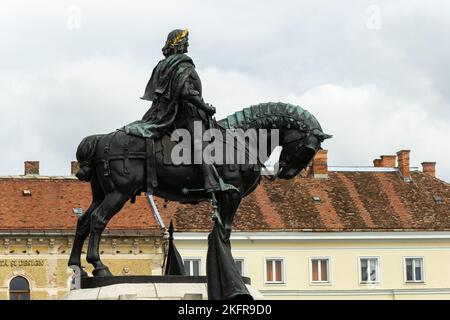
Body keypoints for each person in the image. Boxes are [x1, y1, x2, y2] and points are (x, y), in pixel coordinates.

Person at [137, 29, 220, 193]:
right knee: (199, 140)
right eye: (185, 41)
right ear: (179, 43)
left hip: (159, 112)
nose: (187, 44)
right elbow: (186, 92)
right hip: (183, 113)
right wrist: (205, 107)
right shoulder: (182, 65)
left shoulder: (162, 65)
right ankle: (209, 180)